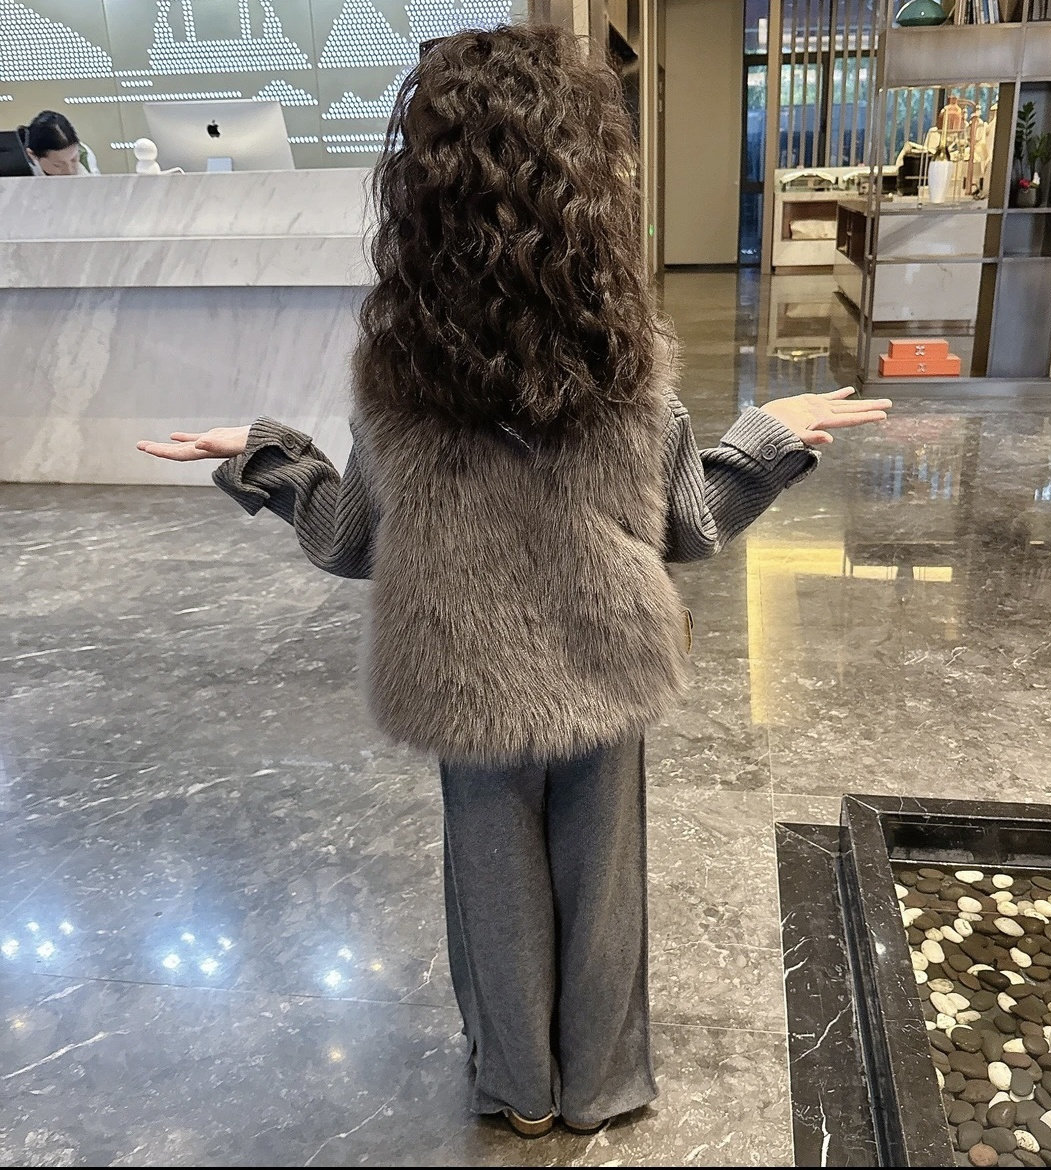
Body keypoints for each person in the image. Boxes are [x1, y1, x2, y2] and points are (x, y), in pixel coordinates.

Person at [137, 23, 891, 1139]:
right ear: (589, 182)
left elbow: (351, 542)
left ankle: (518, 1093)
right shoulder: (627, 365)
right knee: (603, 891)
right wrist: (767, 437)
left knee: (492, 892)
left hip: (462, 667)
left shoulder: (397, 378)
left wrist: (272, 459)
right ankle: (598, 1086)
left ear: (418, 195)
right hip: (606, 655)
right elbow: (689, 527)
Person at [20, 110, 100, 176]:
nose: (69, 171)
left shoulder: (84, 154)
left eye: (74, 160)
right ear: (32, 155)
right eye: (58, 165)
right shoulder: (21, 170)